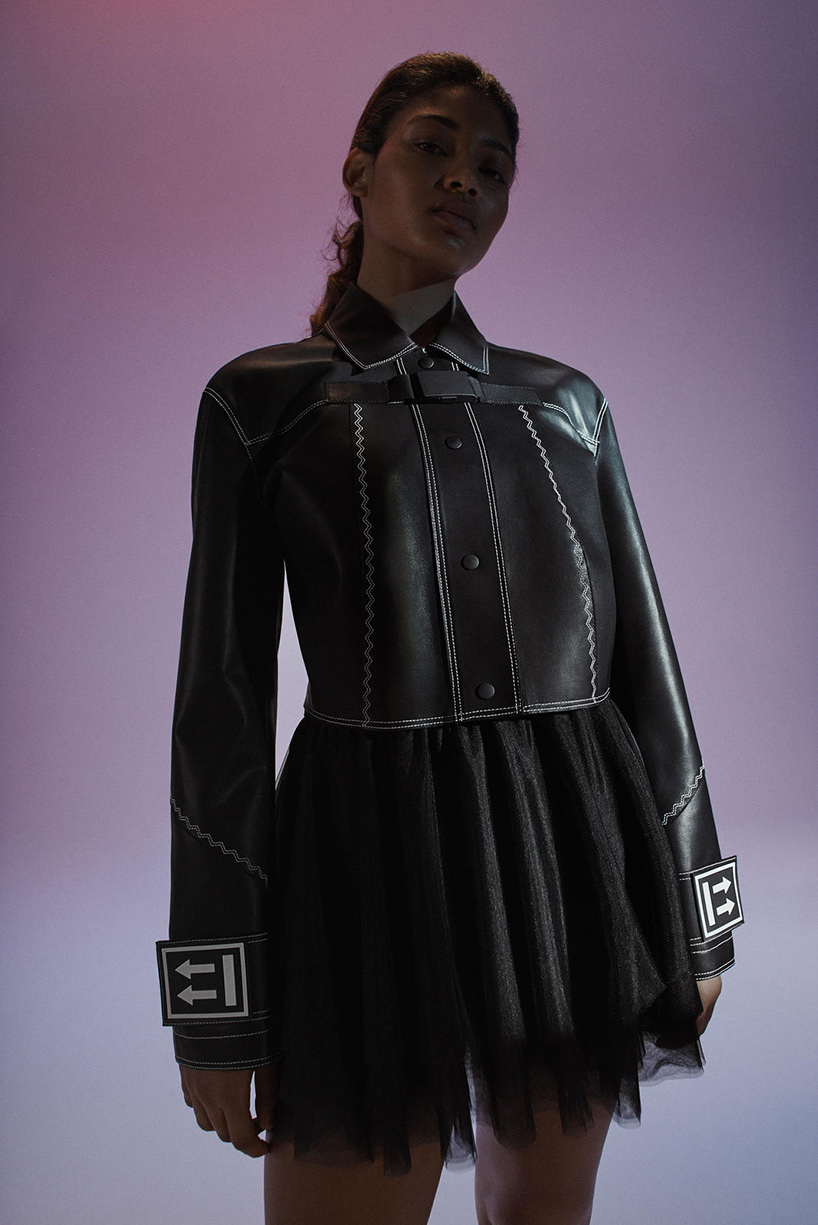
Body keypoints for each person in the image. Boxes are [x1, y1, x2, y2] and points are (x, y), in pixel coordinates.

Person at [156, 52, 744, 1225]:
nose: (462, 179)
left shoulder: (565, 403)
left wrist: (697, 909)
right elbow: (220, 702)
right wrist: (216, 1008)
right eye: (431, 146)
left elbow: (647, 665)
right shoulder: (260, 402)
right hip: (366, 858)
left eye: (491, 166)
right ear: (358, 168)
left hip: (567, 850)